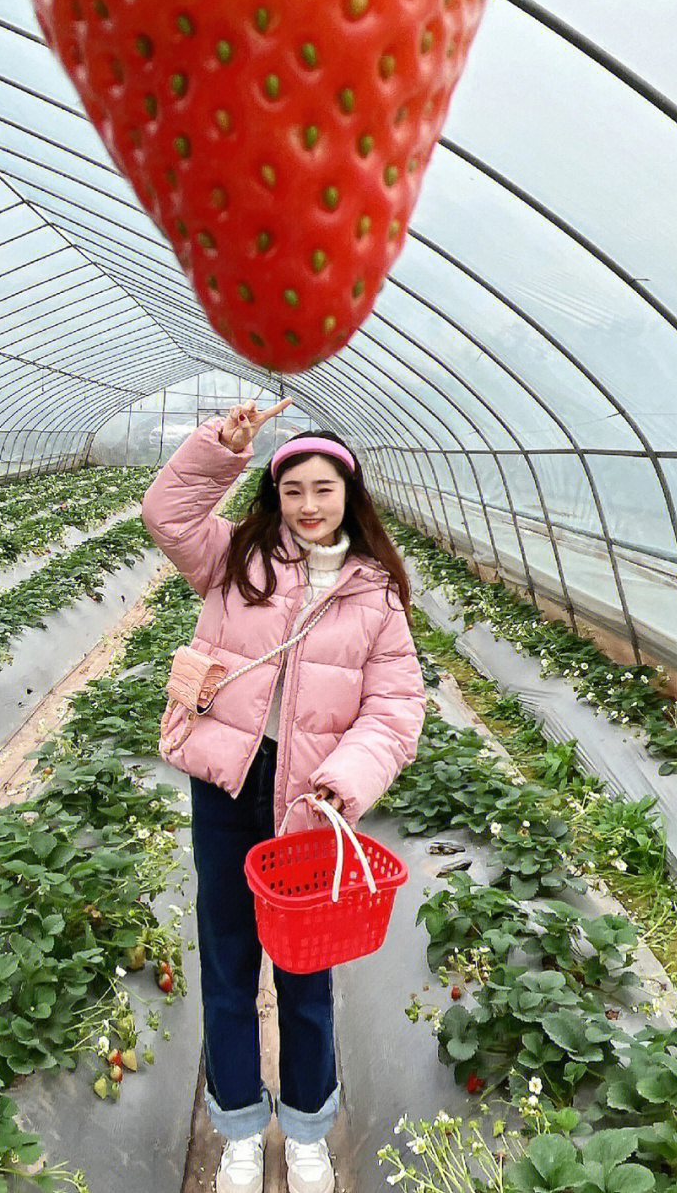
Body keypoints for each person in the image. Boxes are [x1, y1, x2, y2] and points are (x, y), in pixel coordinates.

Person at [141, 398, 426, 1193]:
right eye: (293, 488)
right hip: (229, 785)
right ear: (274, 492)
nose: (307, 504)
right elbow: (165, 512)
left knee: (307, 972)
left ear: (349, 495)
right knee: (229, 959)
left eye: (322, 489)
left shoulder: (377, 594)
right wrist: (218, 447)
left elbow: (396, 706)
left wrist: (348, 776)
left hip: (312, 802)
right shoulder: (236, 559)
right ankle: (237, 1125)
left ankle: (305, 1130)